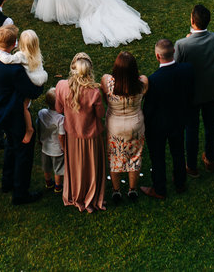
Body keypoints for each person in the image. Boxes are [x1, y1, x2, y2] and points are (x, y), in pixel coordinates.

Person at [0, 25, 45, 205]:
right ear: (14, 44)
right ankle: (20, 193)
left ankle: (7, 181)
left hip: (1, 108)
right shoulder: (15, 70)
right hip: (16, 114)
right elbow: (33, 91)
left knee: (11, 146)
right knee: (23, 153)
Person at [174, 4, 214, 174]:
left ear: (192, 20)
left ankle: (191, 166)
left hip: (190, 95)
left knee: (191, 128)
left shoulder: (182, 44)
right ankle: (210, 159)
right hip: (211, 92)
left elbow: (176, 71)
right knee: (211, 126)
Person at [139, 39, 193, 199]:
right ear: (174, 52)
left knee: (158, 157)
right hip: (179, 119)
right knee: (178, 152)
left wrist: (146, 122)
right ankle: (180, 183)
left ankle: (159, 189)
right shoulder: (187, 70)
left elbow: (149, 107)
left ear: (157, 56)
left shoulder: (153, 80)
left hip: (158, 125)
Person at [55, 52, 106, 212]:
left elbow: (58, 109)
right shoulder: (95, 92)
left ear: (73, 68)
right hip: (91, 137)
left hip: (72, 135)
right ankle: (91, 194)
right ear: (90, 71)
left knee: (76, 167)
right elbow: (101, 115)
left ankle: (76, 193)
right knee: (91, 167)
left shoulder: (62, 86)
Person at [101, 51, 148, 203]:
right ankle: (132, 189)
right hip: (135, 123)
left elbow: (105, 98)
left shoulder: (107, 81)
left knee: (115, 156)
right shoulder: (142, 82)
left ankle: (116, 191)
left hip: (115, 124)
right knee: (135, 155)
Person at [0, 28, 48, 146]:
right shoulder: (36, 52)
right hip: (40, 77)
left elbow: (7, 59)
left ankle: (29, 129)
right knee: (26, 104)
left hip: (32, 81)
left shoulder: (21, 55)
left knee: (24, 106)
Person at [36, 87, 65, 193]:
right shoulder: (60, 119)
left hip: (45, 146)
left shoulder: (41, 113)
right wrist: (63, 148)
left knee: (46, 167)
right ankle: (58, 186)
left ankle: (48, 182)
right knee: (58, 168)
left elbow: (38, 126)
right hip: (57, 149)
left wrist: (39, 138)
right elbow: (61, 136)